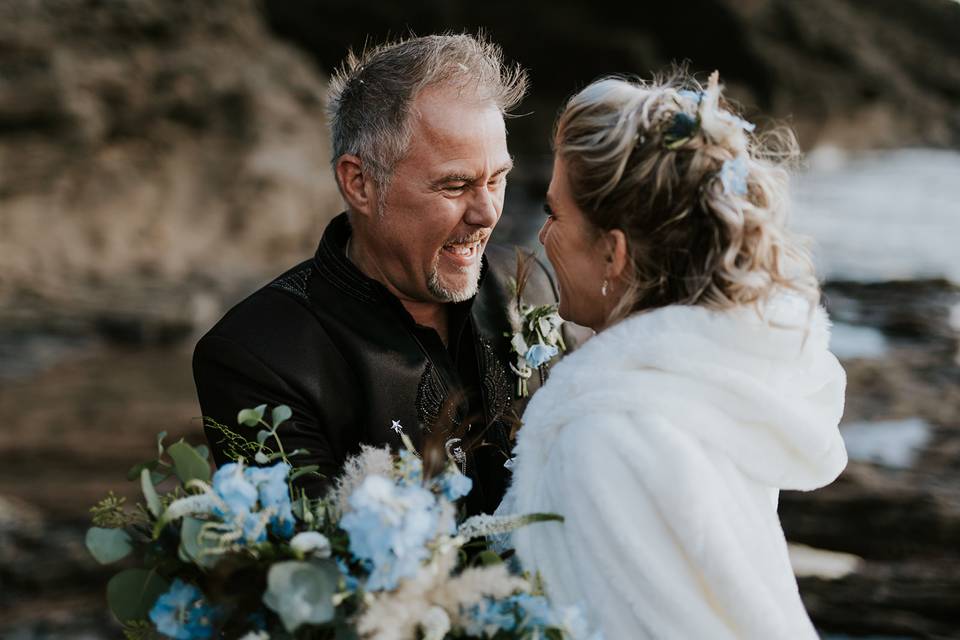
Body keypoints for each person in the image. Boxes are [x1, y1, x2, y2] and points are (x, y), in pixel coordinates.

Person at [499, 72, 848, 638]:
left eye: (555, 214)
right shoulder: (710, 389)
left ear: (613, 253)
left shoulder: (608, 436)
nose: (542, 237)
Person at [192, 34, 569, 517]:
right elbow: (318, 576)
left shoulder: (531, 281)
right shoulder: (258, 356)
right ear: (360, 183)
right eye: (455, 184)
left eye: (497, 179)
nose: (487, 213)